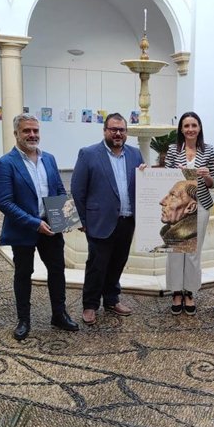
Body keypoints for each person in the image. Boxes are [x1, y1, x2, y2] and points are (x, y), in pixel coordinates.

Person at [0, 114, 79, 341]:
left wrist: (68, 218)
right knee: (23, 274)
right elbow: (5, 202)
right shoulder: (5, 163)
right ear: (16, 134)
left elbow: (59, 191)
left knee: (57, 270)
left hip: (51, 227)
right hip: (23, 229)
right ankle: (24, 320)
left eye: (35, 131)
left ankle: (59, 315)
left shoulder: (48, 159)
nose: (32, 135)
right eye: (26, 131)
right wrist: (34, 223)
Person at [71, 113, 145, 325]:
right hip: (99, 221)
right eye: (113, 129)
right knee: (97, 264)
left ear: (126, 132)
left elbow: (141, 185)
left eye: (121, 130)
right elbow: (77, 189)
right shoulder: (88, 154)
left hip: (127, 220)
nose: (118, 133)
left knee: (118, 262)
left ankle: (112, 299)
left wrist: (146, 175)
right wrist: (82, 220)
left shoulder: (135, 154)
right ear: (105, 131)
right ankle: (90, 305)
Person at [164, 112, 214, 315]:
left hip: (201, 204)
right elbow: (165, 179)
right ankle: (176, 291)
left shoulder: (209, 150)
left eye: (194, 125)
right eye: (186, 126)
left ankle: (190, 292)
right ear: (181, 129)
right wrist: (175, 173)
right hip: (179, 205)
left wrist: (207, 176)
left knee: (194, 251)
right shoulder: (172, 150)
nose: (190, 129)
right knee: (177, 249)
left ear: (199, 128)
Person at [157, 179, 198, 253]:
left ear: (191, 207)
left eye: (173, 196)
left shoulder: (187, 246)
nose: (162, 202)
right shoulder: (173, 243)